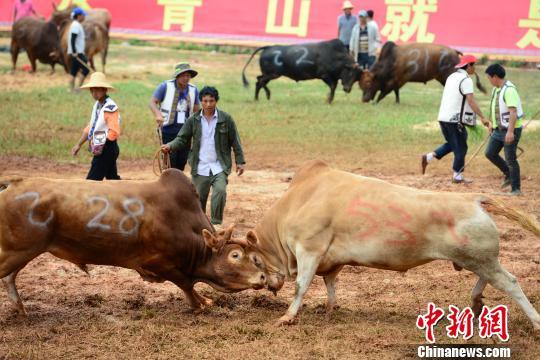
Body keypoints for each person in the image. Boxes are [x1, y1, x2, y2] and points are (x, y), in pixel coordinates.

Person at [161, 86, 245, 227]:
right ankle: (200, 226)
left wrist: (240, 161)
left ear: (216, 101)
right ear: (201, 101)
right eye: (205, 101)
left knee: (220, 191)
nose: (208, 104)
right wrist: (169, 146)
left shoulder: (226, 119)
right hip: (200, 166)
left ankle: (216, 224)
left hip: (220, 166)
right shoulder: (193, 120)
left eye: (211, 101)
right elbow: (182, 139)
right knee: (199, 200)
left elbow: (235, 141)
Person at [421, 55, 488, 183]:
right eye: (474, 65)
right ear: (468, 66)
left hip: (443, 117)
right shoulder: (466, 80)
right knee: (461, 147)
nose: (475, 68)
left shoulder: (451, 77)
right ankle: (457, 176)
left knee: (453, 143)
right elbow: (471, 101)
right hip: (455, 120)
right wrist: (483, 118)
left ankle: (429, 157)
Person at [149, 63, 200, 171]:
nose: (186, 78)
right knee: (170, 160)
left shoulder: (193, 89)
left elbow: (196, 109)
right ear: (177, 75)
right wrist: (158, 115)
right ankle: (168, 185)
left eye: (188, 75)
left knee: (182, 160)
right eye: (183, 75)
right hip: (169, 129)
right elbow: (152, 102)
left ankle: (177, 184)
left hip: (186, 131)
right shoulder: (165, 86)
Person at [71, 72, 121, 181]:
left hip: (107, 148)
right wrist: (78, 144)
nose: (94, 93)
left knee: (91, 181)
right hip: (103, 148)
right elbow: (91, 126)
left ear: (104, 90)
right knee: (113, 180)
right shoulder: (98, 105)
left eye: (97, 89)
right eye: (92, 90)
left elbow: (114, 132)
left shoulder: (110, 107)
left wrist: (101, 144)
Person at [484, 64, 524, 196]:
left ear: (495, 77)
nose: (489, 80)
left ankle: (516, 189)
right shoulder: (496, 89)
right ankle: (508, 173)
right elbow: (495, 108)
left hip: (510, 130)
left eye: (489, 78)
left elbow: (513, 111)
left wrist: (511, 132)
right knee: (490, 153)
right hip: (498, 130)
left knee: (510, 159)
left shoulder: (509, 90)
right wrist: (491, 123)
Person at [67, 7, 89, 92]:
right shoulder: (76, 25)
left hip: (77, 52)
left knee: (73, 71)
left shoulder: (76, 24)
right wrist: (74, 52)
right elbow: (73, 38)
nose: (84, 17)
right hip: (77, 53)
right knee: (85, 70)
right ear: (79, 16)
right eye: (83, 15)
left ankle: (71, 89)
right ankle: (77, 88)